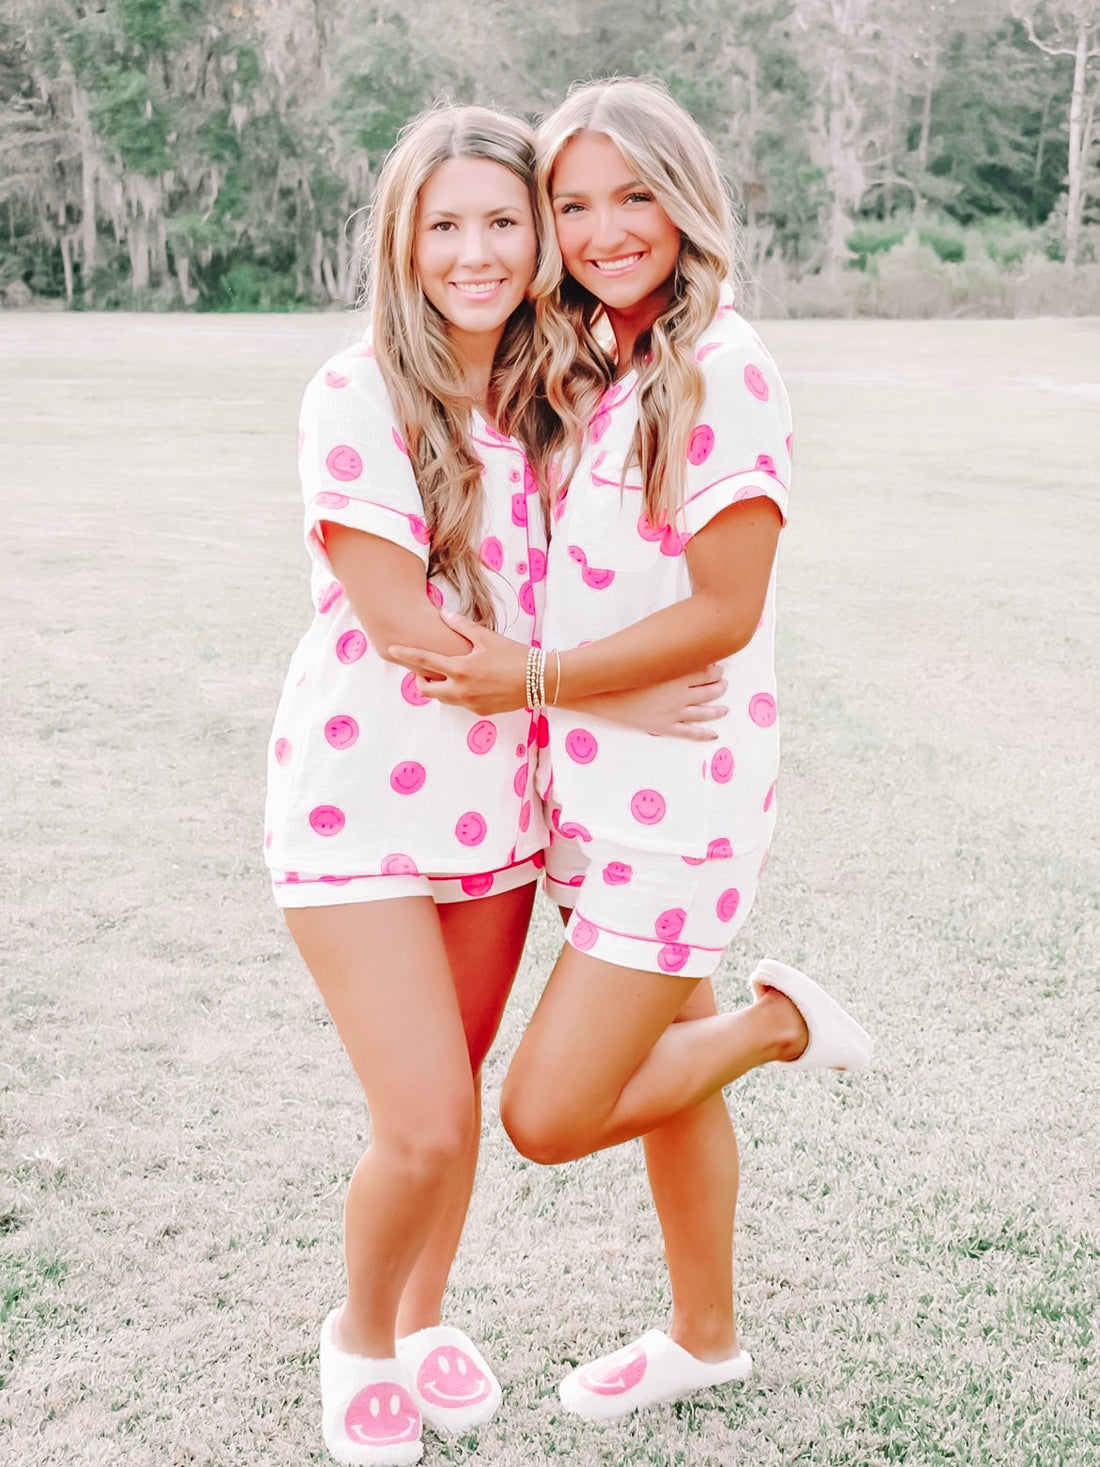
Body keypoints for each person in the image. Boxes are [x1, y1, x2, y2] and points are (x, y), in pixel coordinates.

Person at [389, 77, 873, 1425]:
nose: (605, 228)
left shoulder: (723, 362)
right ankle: (705, 1337)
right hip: (588, 789)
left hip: (680, 808)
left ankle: (782, 1026)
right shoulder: (594, 358)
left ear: (687, 199)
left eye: (635, 195)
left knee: (549, 1113)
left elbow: (727, 611)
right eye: (575, 201)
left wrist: (535, 682)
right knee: (668, 1082)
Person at [264, 101, 730, 1467]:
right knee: (420, 1122)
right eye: (444, 225)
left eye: (502, 223)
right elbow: (409, 629)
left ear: (540, 242)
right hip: (357, 810)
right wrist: (618, 689)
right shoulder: (356, 392)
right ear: (403, 243)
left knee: (455, 1098)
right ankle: (358, 1343)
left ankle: (422, 1322)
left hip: (501, 820)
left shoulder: (557, 397)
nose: (474, 252)